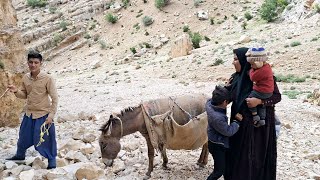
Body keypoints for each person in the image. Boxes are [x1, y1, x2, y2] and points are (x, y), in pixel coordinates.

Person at [224, 47, 281, 180]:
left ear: (244, 61)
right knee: (238, 156)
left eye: (235, 59)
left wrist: (259, 101)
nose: (233, 63)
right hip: (239, 124)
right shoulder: (235, 78)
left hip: (259, 128)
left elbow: (277, 97)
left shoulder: (264, 76)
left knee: (255, 157)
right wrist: (224, 90)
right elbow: (227, 99)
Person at [6, 51, 58, 169]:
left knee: (47, 139)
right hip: (29, 113)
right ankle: (20, 155)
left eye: (36, 62)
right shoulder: (26, 77)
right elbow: (24, 95)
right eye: (31, 62)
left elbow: (54, 98)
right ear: (27, 63)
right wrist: (15, 91)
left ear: (40, 63)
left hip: (43, 115)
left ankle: (52, 161)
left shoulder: (48, 78)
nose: (33, 65)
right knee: (23, 136)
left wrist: (51, 115)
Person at [206, 85, 243, 180]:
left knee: (224, 166)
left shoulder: (210, 104)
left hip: (213, 142)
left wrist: (225, 87)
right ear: (224, 102)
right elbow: (228, 131)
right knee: (218, 171)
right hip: (218, 146)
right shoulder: (218, 118)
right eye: (228, 102)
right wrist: (236, 121)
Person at [245, 47, 274, 127]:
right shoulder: (267, 67)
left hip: (262, 91)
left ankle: (255, 115)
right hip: (267, 92)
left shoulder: (261, 71)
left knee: (250, 98)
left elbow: (253, 77)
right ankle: (262, 119)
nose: (251, 66)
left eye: (252, 64)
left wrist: (250, 71)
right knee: (262, 106)